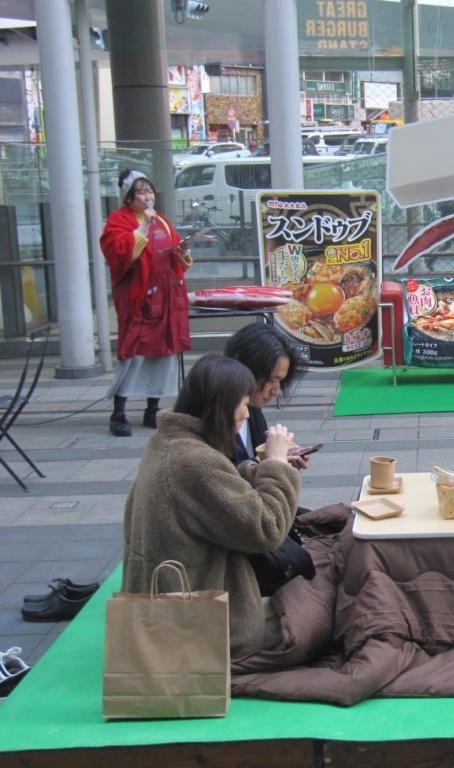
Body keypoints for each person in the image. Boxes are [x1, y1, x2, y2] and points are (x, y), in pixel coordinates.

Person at [121, 354, 301, 658]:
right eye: (242, 403)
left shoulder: (169, 442)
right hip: (199, 621)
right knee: (322, 606)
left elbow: (216, 493)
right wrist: (277, 466)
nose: (246, 412)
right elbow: (266, 528)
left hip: (165, 605)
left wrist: (257, 470)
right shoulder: (193, 462)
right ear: (221, 406)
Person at [100, 169, 192, 437]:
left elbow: (176, 256)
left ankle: (153, 407)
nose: (147, 196)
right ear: (129, 197)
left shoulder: (161, 221)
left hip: (165, 297)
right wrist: (141, 228)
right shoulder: (119, 221)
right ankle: (119, 411)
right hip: (139, 297)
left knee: (164, 353)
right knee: (135, 354)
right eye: (141, 192)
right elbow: (118, 254)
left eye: (149, 190)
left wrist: (183, 251)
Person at [223, 323, 309, 467]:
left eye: (280, 381)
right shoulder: (214, 420)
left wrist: (282, 459)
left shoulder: (253, 408)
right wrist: (272, 460)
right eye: (270, 380)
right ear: (248, 369)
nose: (276, 391)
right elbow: (226, 481)